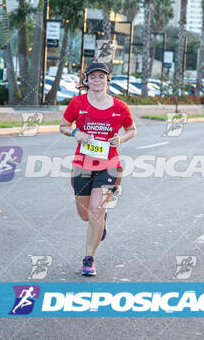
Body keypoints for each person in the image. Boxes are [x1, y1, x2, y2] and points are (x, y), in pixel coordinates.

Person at [59, 61, 137, 276]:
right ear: (87, 80)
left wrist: (120, 139)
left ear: (107, 80)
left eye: (101, 77)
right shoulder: (77, 103)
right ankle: (101, 223)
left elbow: (132, 130)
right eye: (93, 77)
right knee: (85, 215)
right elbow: (63, 126)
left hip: (109, 166)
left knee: (96, 211)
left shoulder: (120, 107)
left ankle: (89, 259)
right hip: (82, 165)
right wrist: (76, 134)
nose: (97, 80)